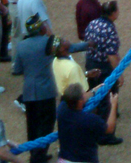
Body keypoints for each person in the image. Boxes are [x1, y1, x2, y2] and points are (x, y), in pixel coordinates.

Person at [15, 24, 86, 163]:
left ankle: (34, 153)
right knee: (47, 124)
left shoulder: (21, 45)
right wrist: (87, 45)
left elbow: (17, 69)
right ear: (41, 30)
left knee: (32, 124)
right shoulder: (47, 42)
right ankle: (39, 155)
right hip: (46, 90)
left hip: (29, 90)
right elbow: (69, 48)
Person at [56, 82, 118, 162]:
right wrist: (113, 105)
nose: (86, 93)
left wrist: (95, 90)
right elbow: (109, 129)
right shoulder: (90, 120)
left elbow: (77, 98)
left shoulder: (61, 110)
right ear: (80, 101)